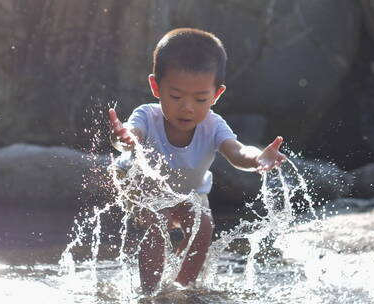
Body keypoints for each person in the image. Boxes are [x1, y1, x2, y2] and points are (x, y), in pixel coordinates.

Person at [108, 28, 286, 294]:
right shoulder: (146, 115)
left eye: (200, 99)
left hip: (192, 195)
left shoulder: (214, 125)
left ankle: (184, 288)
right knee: (156, 224)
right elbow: (128, 137)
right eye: (176, 96)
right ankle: (150, 292)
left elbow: (237, 152)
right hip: (144, 192)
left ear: (216, 95)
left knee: (203, 227)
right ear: (156, 87)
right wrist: (123, 138)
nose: (187, 107)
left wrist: (258, 157)